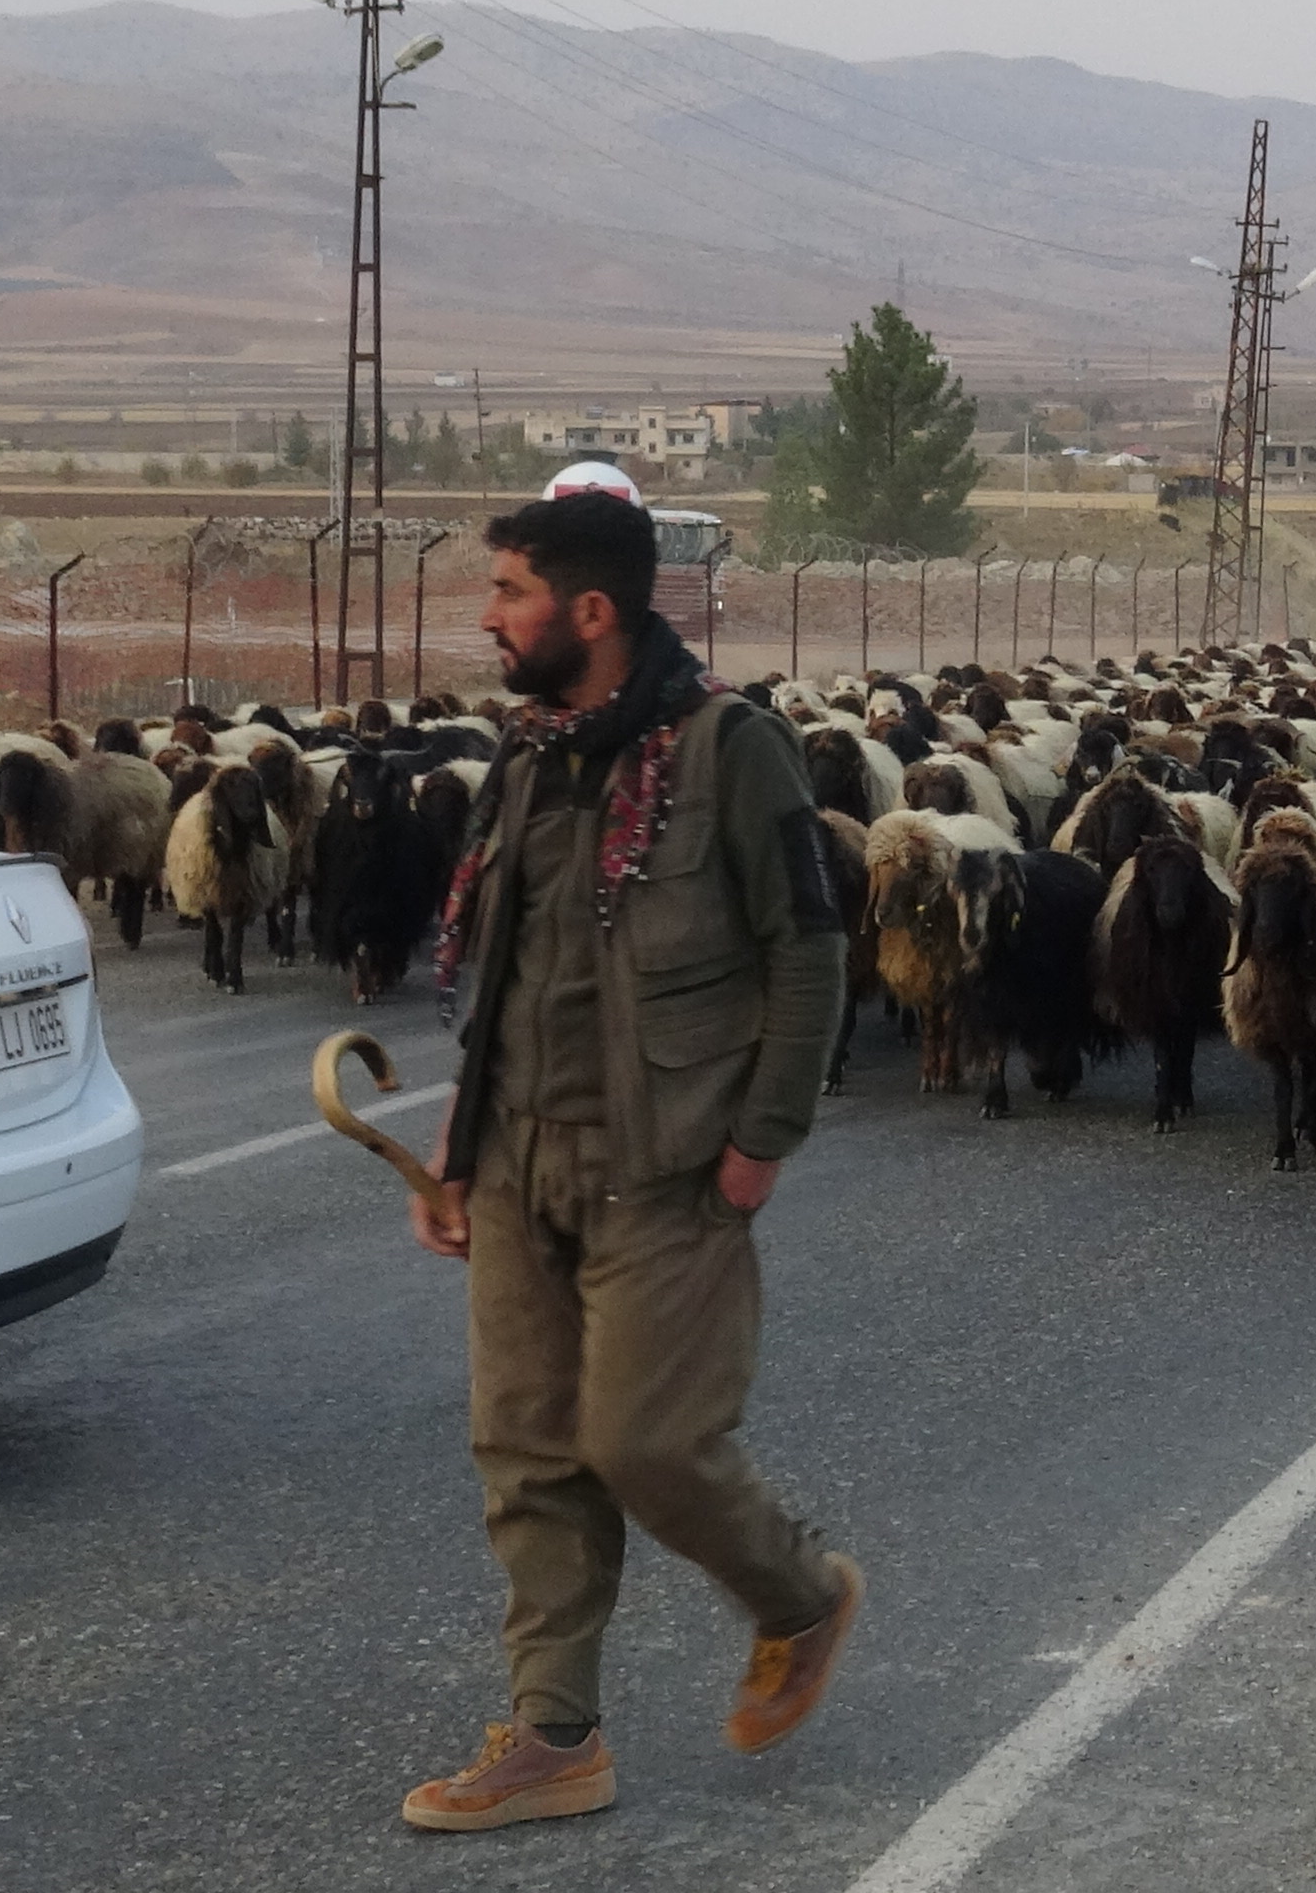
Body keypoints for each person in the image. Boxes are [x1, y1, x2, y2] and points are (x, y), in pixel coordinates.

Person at [397, 488, 862, 1833]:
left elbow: (810, 946)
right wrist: (459, 1141)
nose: (487, 616)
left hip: (664, 1170)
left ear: (589, 611)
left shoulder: (732, 751)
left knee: (645, 1441)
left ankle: (801, 1596)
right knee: (527, 1449)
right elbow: (508, 968)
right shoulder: (528, 758)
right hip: (520, 1155)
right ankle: (556, 1735)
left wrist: (761, 1140)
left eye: (509, 593)